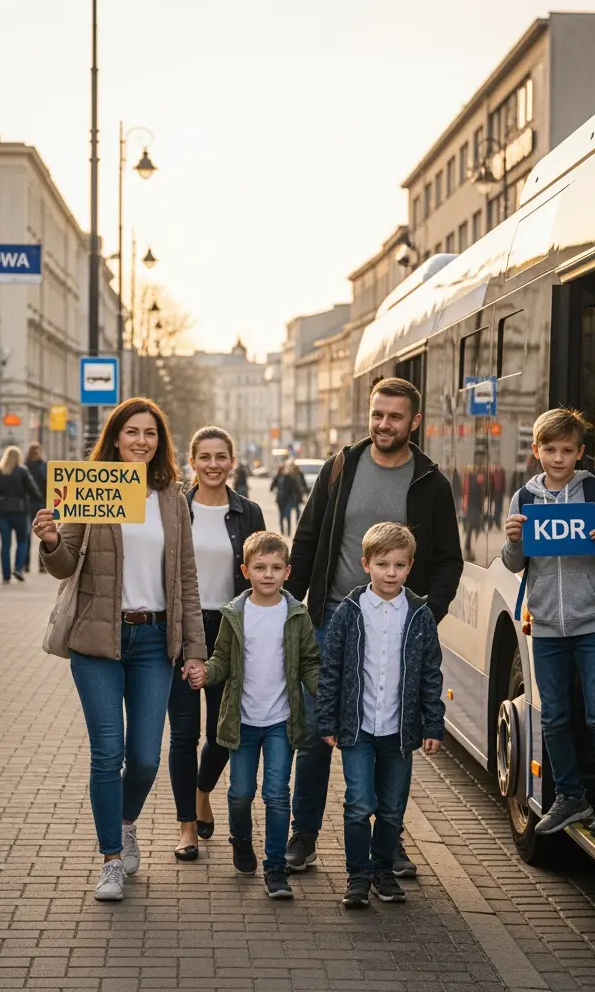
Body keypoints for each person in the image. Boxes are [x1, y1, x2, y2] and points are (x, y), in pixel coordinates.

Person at [284, 376, 462, 876]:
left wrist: (427, 613)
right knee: (319, 737)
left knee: (389, 740)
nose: (384, 424)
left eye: (395, 417)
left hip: (396, 631)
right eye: (378, 414)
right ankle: (305, 835)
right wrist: (288, 606)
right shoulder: (341, 467)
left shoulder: (430, 482)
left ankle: (389, 844)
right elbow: (308, 537)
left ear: (415, 422)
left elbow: (450, 559)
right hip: (331, 623)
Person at [34, 397, 205, 902]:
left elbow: (187, 580)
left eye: (150, 433)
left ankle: (127, 823)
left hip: (155, 641)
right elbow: (65, 565)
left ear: (161, 441)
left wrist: (194, 647)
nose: (140, 441)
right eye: (132, 432)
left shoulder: (173, 497)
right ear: (115, 437)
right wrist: (48, 540)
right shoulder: (92, 487)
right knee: (107, 753)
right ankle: (111, 859)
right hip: (96, 639)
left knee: (146, 758)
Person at [501, 408, 595, 837]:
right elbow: (514, 562)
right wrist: (513, 541)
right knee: (554, 716)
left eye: (567, 450)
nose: (558, 458)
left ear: (580, 452)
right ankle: (570, 796)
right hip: (546, 626)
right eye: (550, 449)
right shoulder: (524, 498)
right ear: (536, 451)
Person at [185, 531, 321, 900]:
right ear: (245, 570)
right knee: (241, 793)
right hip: (241, 721)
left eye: (276, 568)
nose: (268, 574)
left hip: (281, 722)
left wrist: (323, 689)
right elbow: (221, 661)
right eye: (260, 567)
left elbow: (310, 662)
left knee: (277, 795)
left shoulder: (296, 615)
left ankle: (275, 868)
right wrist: (205, 674)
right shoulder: (235, 614)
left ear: (288, 571)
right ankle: (241, 841)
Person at [317, 522, 445, 908]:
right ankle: (357, 876)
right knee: (359, 804)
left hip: (398, 730)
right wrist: (327, 721)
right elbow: (331, 670)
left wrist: (433, 723)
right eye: (383, 564)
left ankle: (383, 871)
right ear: (366, 564)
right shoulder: (349, 612)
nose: (391, 573)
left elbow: (430, 674)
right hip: (357, 729)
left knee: (392, 807)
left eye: (400, 565)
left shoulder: (420, 614)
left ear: (410, 567)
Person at [167, 426, 265, 861]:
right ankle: (187, 826)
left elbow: (262, 569)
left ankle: (203, 791)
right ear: (192, 462)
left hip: (229, 629)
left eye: (220, 457)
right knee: (184, 734)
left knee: (225, 732)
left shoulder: (249, 513)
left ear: (232, 461)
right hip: (180, 628)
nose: (212, 465)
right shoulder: (174, 507)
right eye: (204, 457)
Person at [0, 446, 42, 583]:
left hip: (2, 511)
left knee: (5, 544)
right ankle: (18, 568)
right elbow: (33, 490)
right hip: (20, 511)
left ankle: (5, 575)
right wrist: (39, 500)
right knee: (22, 541)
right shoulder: (22, 471)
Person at [24, 443, 48, 573]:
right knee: (43, 535)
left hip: (27, 504)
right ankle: (42, 565)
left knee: (26, 535)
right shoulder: (44, 467)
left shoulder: (24, 466)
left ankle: (25, 564)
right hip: (42, 504)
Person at [270, 465, 302, 537]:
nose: (283, 471)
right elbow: (272, 486)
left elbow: (294, 488)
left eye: (283, 469)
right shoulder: (277, 477)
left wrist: (295, 497)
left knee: (288, 516)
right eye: (281, 469)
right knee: (281, 516)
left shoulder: (289, 478)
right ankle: (282, 531)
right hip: (280, 500)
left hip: (288, 500)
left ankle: (288, 532)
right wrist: (273, 489)